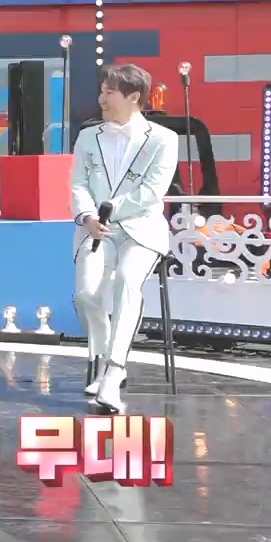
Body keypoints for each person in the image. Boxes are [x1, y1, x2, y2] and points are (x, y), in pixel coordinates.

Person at [70, 63, 178, 414]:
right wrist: (88, 217)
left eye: (109, 92)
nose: (101, 99)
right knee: (86, 294)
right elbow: (77, 184)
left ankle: (114, 372)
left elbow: (151, 193)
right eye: (101, 91)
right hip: (95, 228)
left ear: (133, 97)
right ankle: (103, 358)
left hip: (140, 228)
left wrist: (108, 210)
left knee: (128, 282)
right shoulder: (88, 137)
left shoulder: (163, 139)